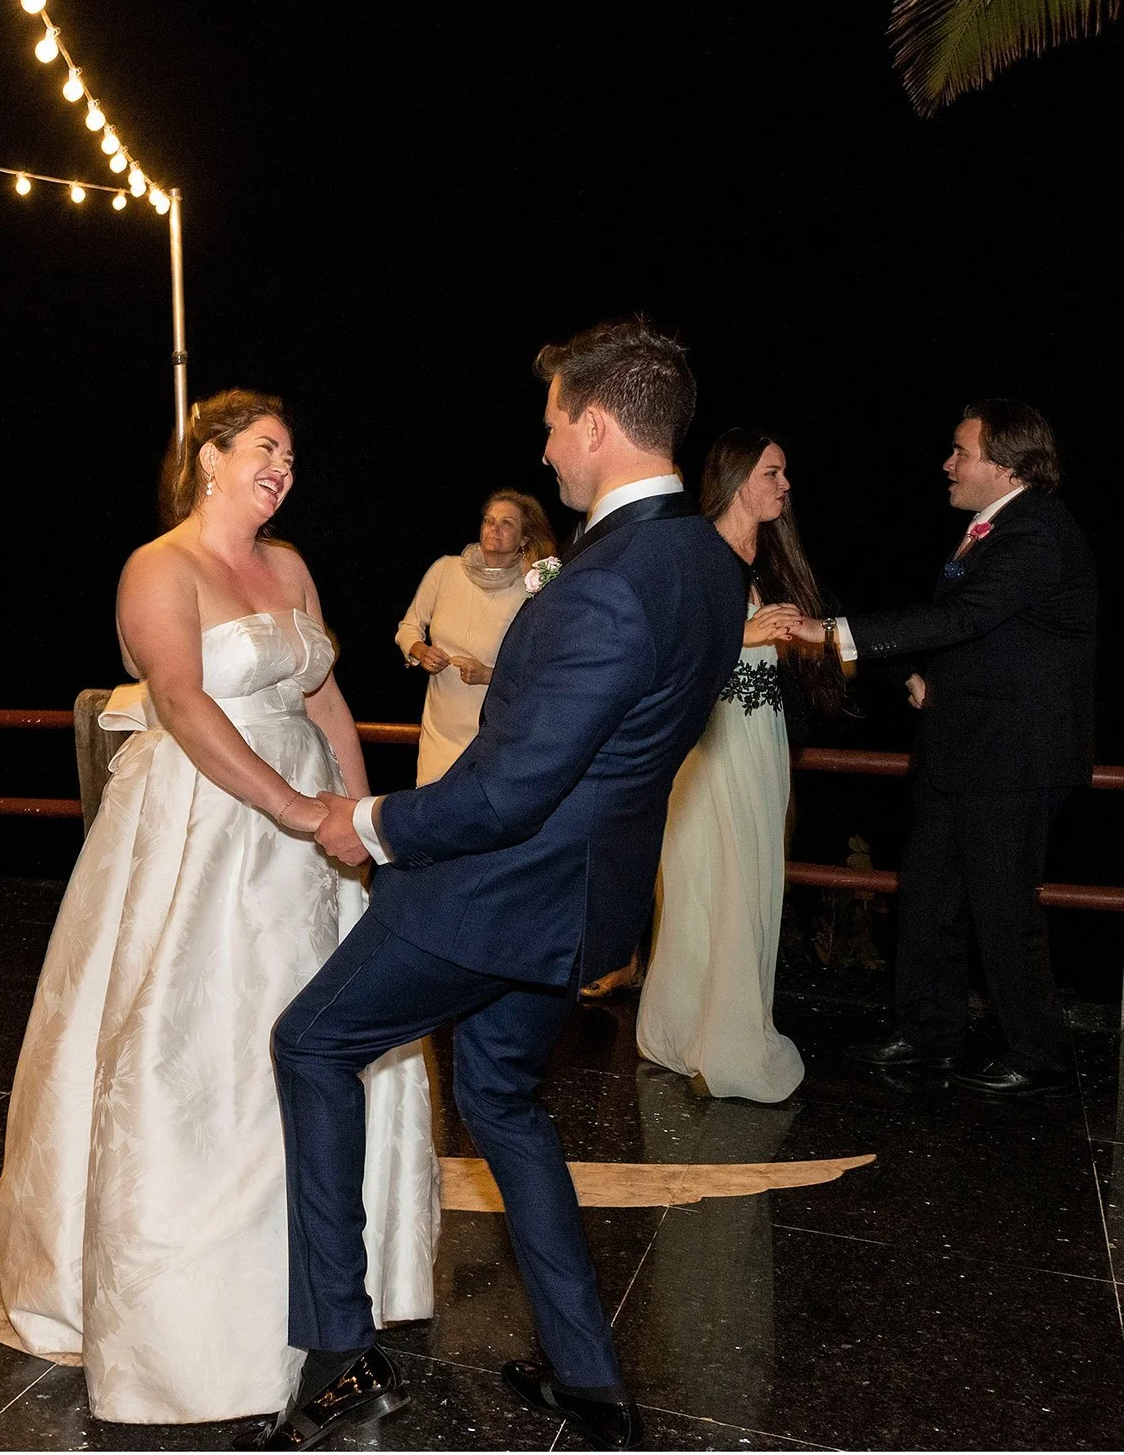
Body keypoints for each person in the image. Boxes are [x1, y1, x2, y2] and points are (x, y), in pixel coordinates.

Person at [275, 320, 746, 1452]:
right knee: (498, 1101)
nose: (542, 454)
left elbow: (503, 796)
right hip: (583, 903)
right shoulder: (707, 563)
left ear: (594, 422)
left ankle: (340, 1357)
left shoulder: (608, 585)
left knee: (310, 1042)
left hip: (494, 896)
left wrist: (370, 820)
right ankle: (588, 1378)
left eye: (549, 426)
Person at [0, 391, 438, 1425]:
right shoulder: (160, 564)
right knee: (203, 1042)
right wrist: (286, 805)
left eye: (290, 453)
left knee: (328, 1031)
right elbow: (184, 702)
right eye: (265, 448)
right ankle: (197, 1307)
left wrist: (358, 820)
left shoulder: (289, 567)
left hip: (310, 829)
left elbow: (323, 696)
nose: (282, 466)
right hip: (207, 817)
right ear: (208, 456)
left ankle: (335, 1281)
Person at [789, 400, 1096, 1099]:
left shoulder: (1037, 534)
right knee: (929, 896)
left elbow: (964, 617)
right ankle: (928, 1034)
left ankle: (1039, 1055)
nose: (947, 464)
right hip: (960, 748)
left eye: (961, 452)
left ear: (1006, 464)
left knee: (1002, 907)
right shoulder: (991, 530)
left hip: (1011, 760)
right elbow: (983, 640)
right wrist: (928, 679)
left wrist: (833, 633)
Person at [637, 428, 845, 1105]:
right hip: (704, 745)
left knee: (751, 886)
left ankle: (726, 1032)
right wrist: (741, 632)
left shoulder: (777, 562)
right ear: (736, 479)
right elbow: (664, 651)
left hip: (763, 742)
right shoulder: (695, 552)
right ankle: (690, 1036)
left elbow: (806, 652)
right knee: (699, 886)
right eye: (774, 472)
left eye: (785, 474)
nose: (785, 486)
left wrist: (800, 646)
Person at [394, 490, 556, 786]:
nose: (494, 528)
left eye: (506, 523)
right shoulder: (446, 570)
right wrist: (420, 650)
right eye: (489, 521)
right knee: (431, 820)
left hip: (491, 737)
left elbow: (539, 670)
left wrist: (487, 675)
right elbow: (408, 627)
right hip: (438, 734)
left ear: (523, 539)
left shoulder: (532, 589)